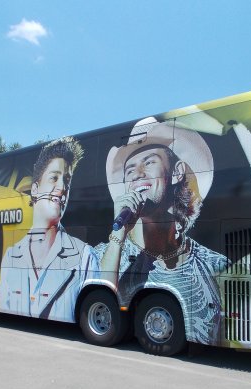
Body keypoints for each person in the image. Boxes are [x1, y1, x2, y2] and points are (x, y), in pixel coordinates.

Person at [96, 118, 228, 345]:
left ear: (176, 173)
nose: (137, 173)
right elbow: (104, 296)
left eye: (149, 162)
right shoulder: (103, 255)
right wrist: (119, 232)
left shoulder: (215, 265)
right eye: (129, 170)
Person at [0, 137, 98, 322]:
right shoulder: (11, 256)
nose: (62, 187)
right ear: (35, 189)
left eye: (67, 180)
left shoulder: (85, 258)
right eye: (54, 178)